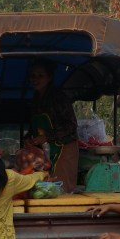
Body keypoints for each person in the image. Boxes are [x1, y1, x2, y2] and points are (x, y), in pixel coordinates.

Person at [28, 59, 79, 192]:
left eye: (40, 75)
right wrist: (30, 138)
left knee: (61, 186)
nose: (35, 79)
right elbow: (34, 127)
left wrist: (47, 136)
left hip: (65, 148)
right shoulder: (35, 99)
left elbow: (72, 125)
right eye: (33, 76)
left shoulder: (59, 98)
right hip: (47, 150)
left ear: (49, 77)